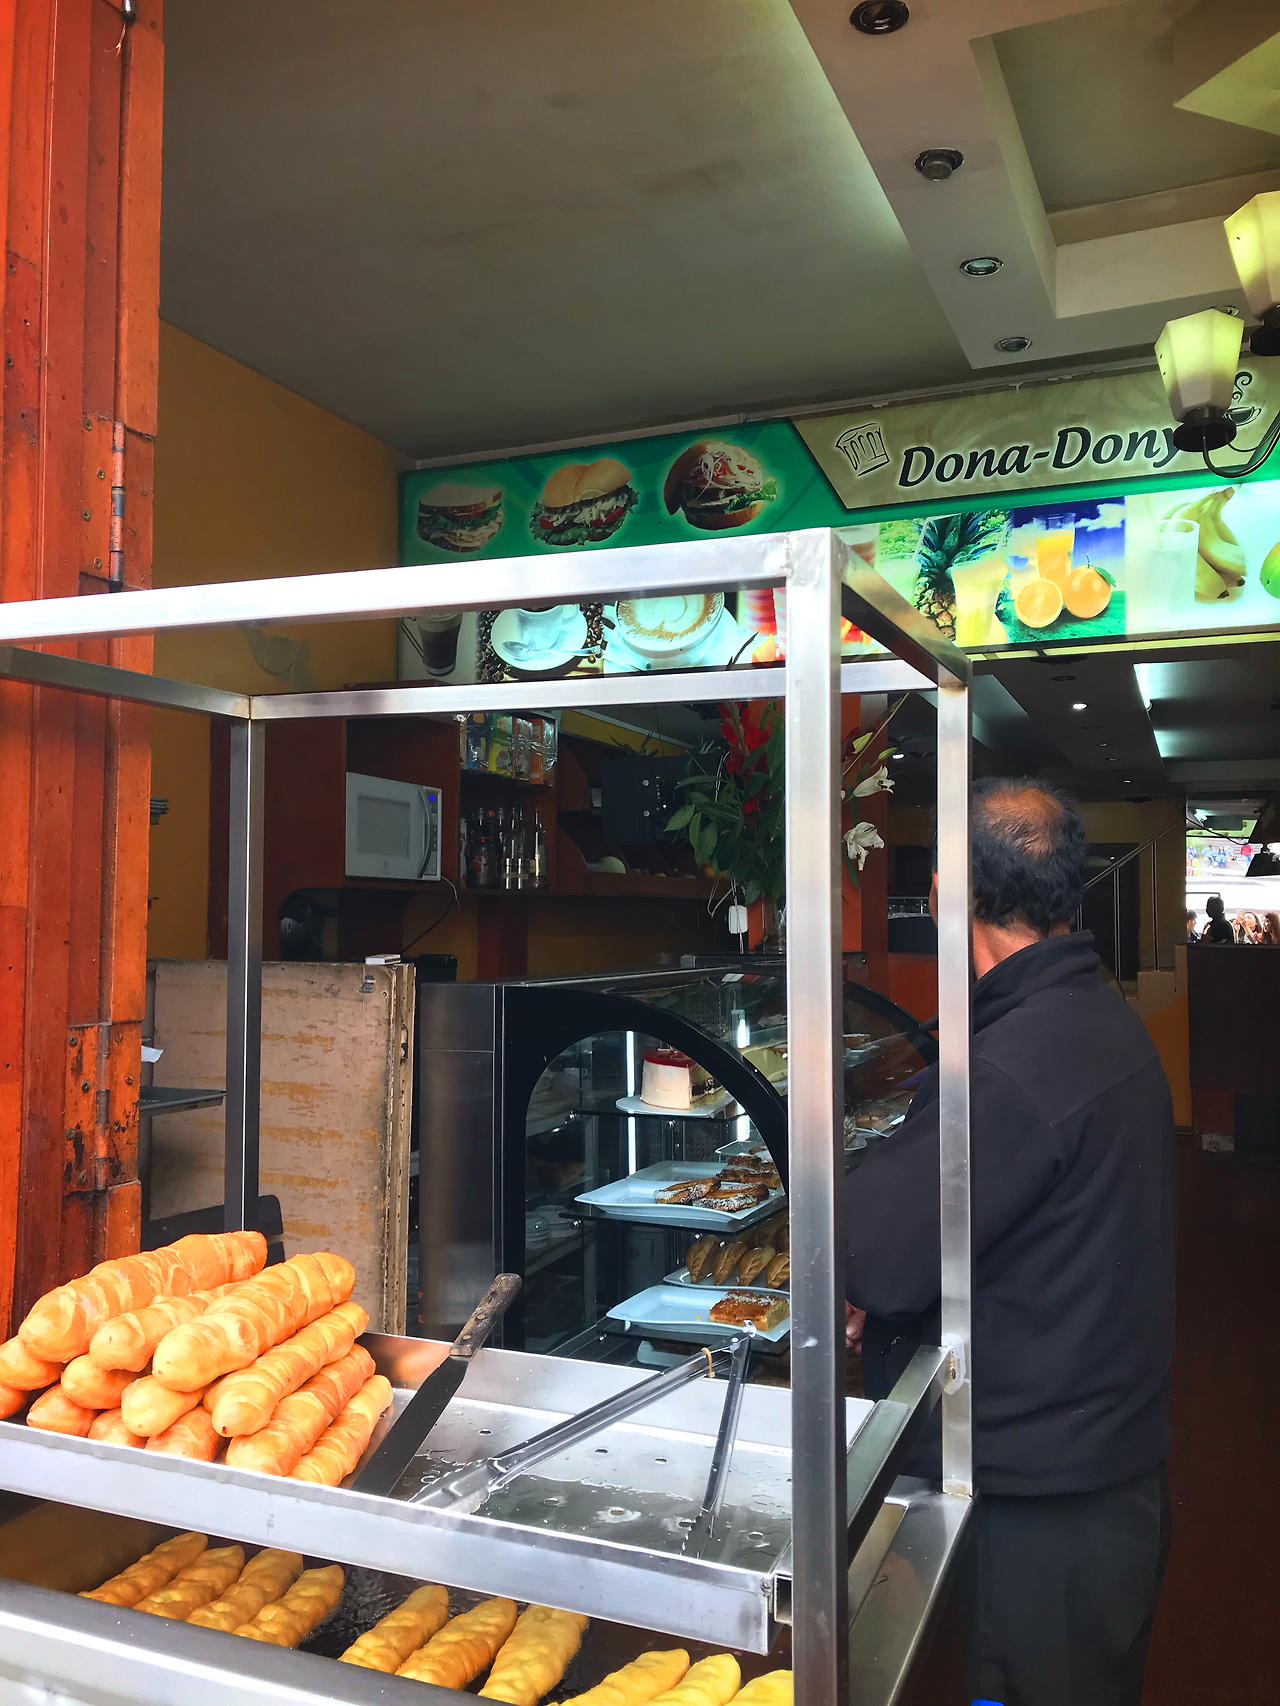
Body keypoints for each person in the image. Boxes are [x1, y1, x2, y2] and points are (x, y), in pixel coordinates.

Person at [844, 776, 1174, 1706]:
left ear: (951, 897)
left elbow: (867, 1257)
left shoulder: (1011, 1065)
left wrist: (863, 1272)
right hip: (1104, 1478)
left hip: (1038, 1517)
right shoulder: (1094, 1019)